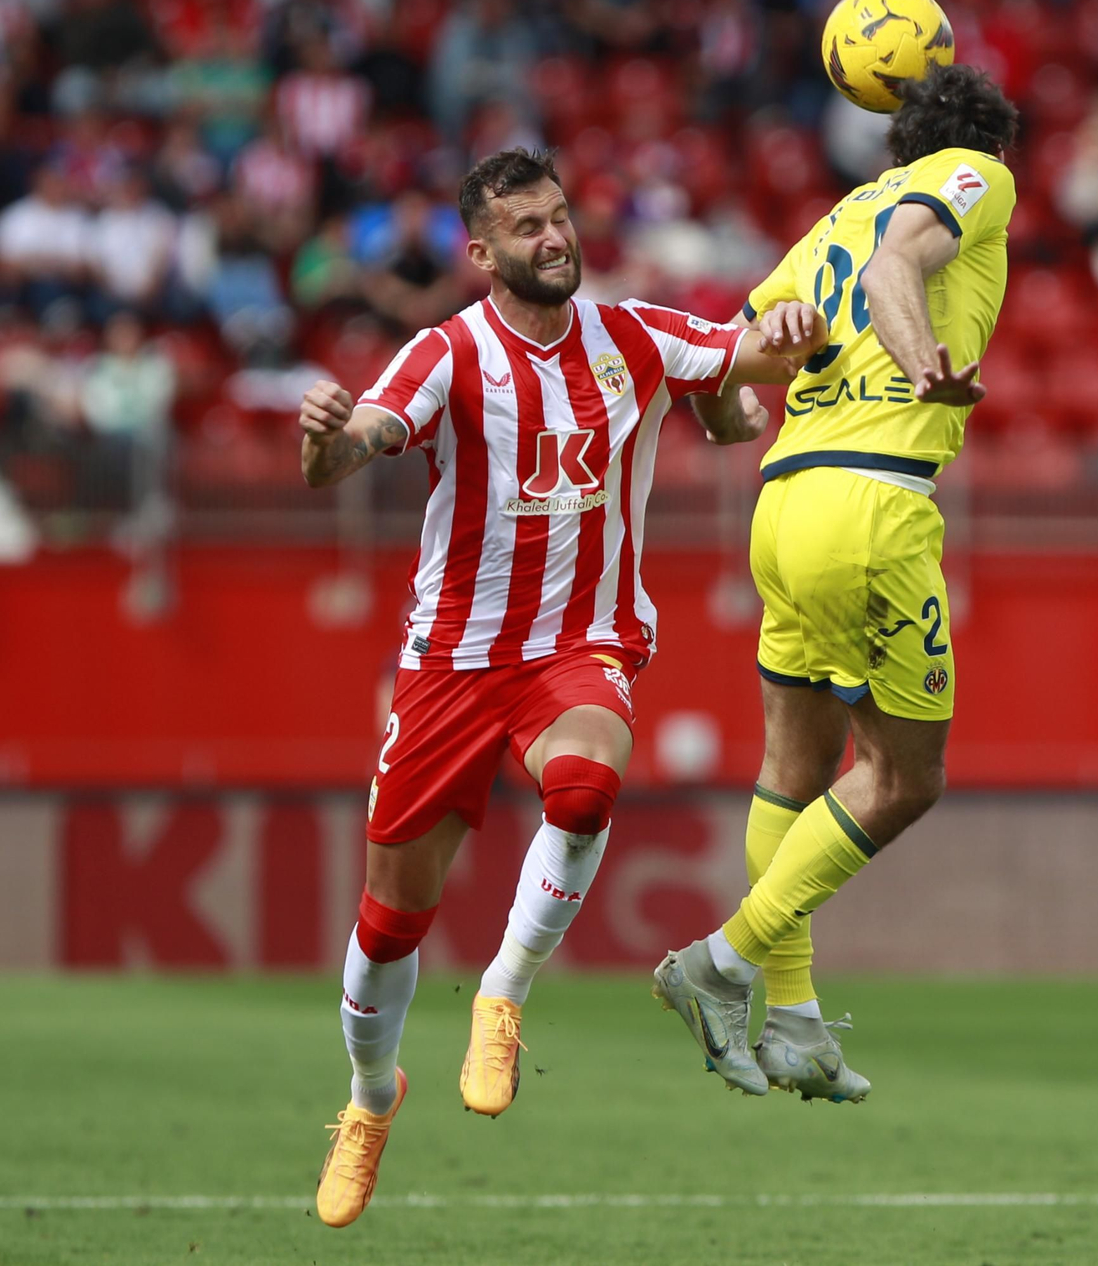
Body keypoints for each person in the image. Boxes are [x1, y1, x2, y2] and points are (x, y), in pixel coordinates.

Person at [296, 147, 824, 1226]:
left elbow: (750, 358)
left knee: (584, 790)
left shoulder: (635, 335)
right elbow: (353, 449)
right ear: (483, 253)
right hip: (452, 663)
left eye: (559, 217)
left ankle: (502, 994)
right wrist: (323, 437)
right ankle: (368, 1099)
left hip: (581, 644)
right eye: (527, 228)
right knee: (389, 926)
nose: (554, 238)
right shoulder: (446, 353)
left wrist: (792, 329)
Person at [652, 63, 1019, 1102]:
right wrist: (919, 359)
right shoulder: (974, 176)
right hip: (871, 505)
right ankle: (719, 964)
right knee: (902, 776)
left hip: (781, 506)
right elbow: (898, 263)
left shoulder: (822, 230)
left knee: (795, 763)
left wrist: (738, 415)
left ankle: (797, 1023)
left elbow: (721, 372)